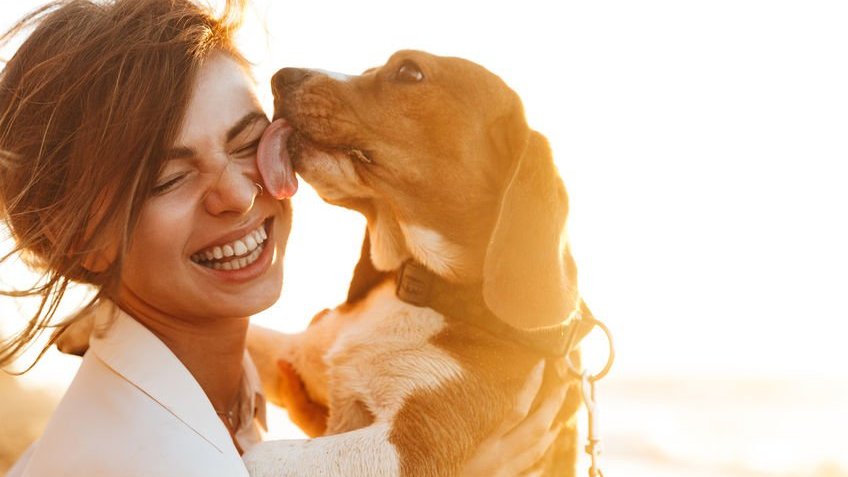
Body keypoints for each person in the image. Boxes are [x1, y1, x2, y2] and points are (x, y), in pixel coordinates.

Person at [0, 1, 567, 476]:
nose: (240, 196)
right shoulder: (150, 460)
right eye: (168, 178)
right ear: (78, 240)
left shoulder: (225, 388)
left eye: (251, 142)